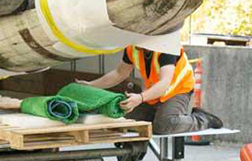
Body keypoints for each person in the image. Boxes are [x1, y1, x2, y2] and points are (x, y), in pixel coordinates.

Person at [78, 45, 222, 134]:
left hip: (178, 90)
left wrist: (139, 98)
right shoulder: (133, 48)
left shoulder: (167, 48)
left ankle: (202, 119)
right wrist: (91, 85)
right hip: (154, 92)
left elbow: (165, 83)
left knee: (163, 125)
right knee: (127, 119)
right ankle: (157, 115)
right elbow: (119, 73)